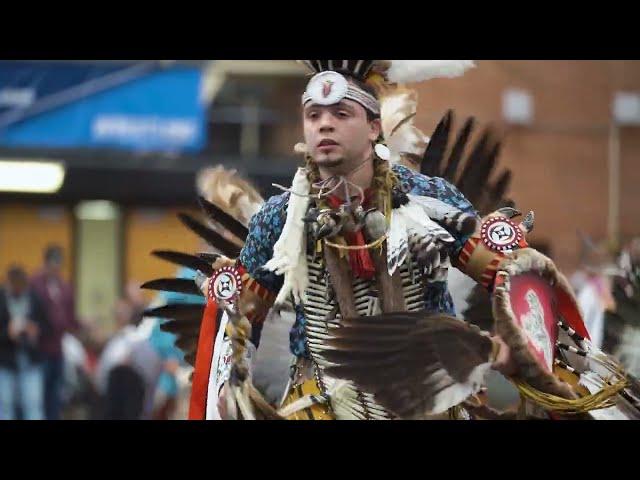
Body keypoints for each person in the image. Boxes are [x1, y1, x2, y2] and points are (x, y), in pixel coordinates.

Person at [150, 61, 639, 420]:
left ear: (374, 126)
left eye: (340, 112)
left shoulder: (431, 199)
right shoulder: (279, 219)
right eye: (313, 114)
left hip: (426, 397)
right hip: (318, 401)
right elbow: (240, 324)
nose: (323, 123)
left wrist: (511, 351)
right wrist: (231, 386)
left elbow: (506, 279)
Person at [0, 266, 49, 420]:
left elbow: (48, 327)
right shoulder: (1, 299)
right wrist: (7, 333)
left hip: (31, 360)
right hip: (5, 361)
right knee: (5, 406)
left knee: (33, 406)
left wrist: (35, 329)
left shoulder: (35, 298)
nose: (18, 290)